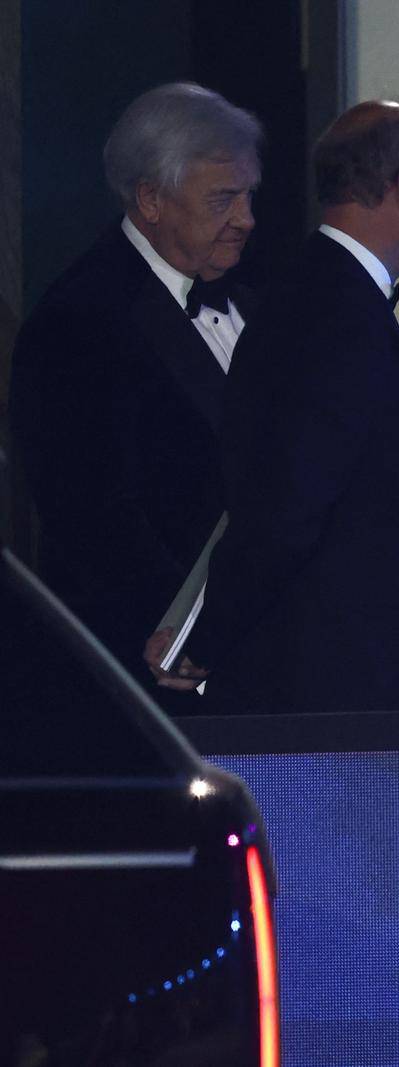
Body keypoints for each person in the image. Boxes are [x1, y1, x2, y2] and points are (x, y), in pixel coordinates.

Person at [150, 99, 399, 713]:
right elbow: (282, 506)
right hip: (333, 713)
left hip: (343, 698)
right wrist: (203, 642)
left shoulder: (325, 300)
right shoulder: (328, 313)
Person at [9, 82, 261, 713]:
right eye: (224, 199)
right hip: (151, 692)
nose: (247, 219)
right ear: (151, 199)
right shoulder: (79, 321)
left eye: (249, 195)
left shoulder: (254, 301)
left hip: (258, 672)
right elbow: (90, 518)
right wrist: (188, 632)